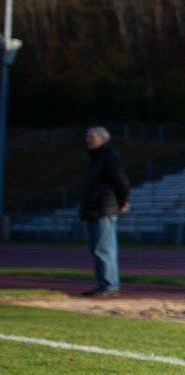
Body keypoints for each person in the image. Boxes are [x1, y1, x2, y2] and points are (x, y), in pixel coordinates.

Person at [79, 126, 131, 296]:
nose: (87, 139)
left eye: (91, 136)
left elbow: (121, 182)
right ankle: (105, 284)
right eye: (87, 136)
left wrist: (122, 202)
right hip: (94, 209)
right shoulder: (97, 158)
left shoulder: (108, 157)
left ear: (102, 138)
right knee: (98, 249)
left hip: (104, 209)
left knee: (104, 249)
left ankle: (109, 285)